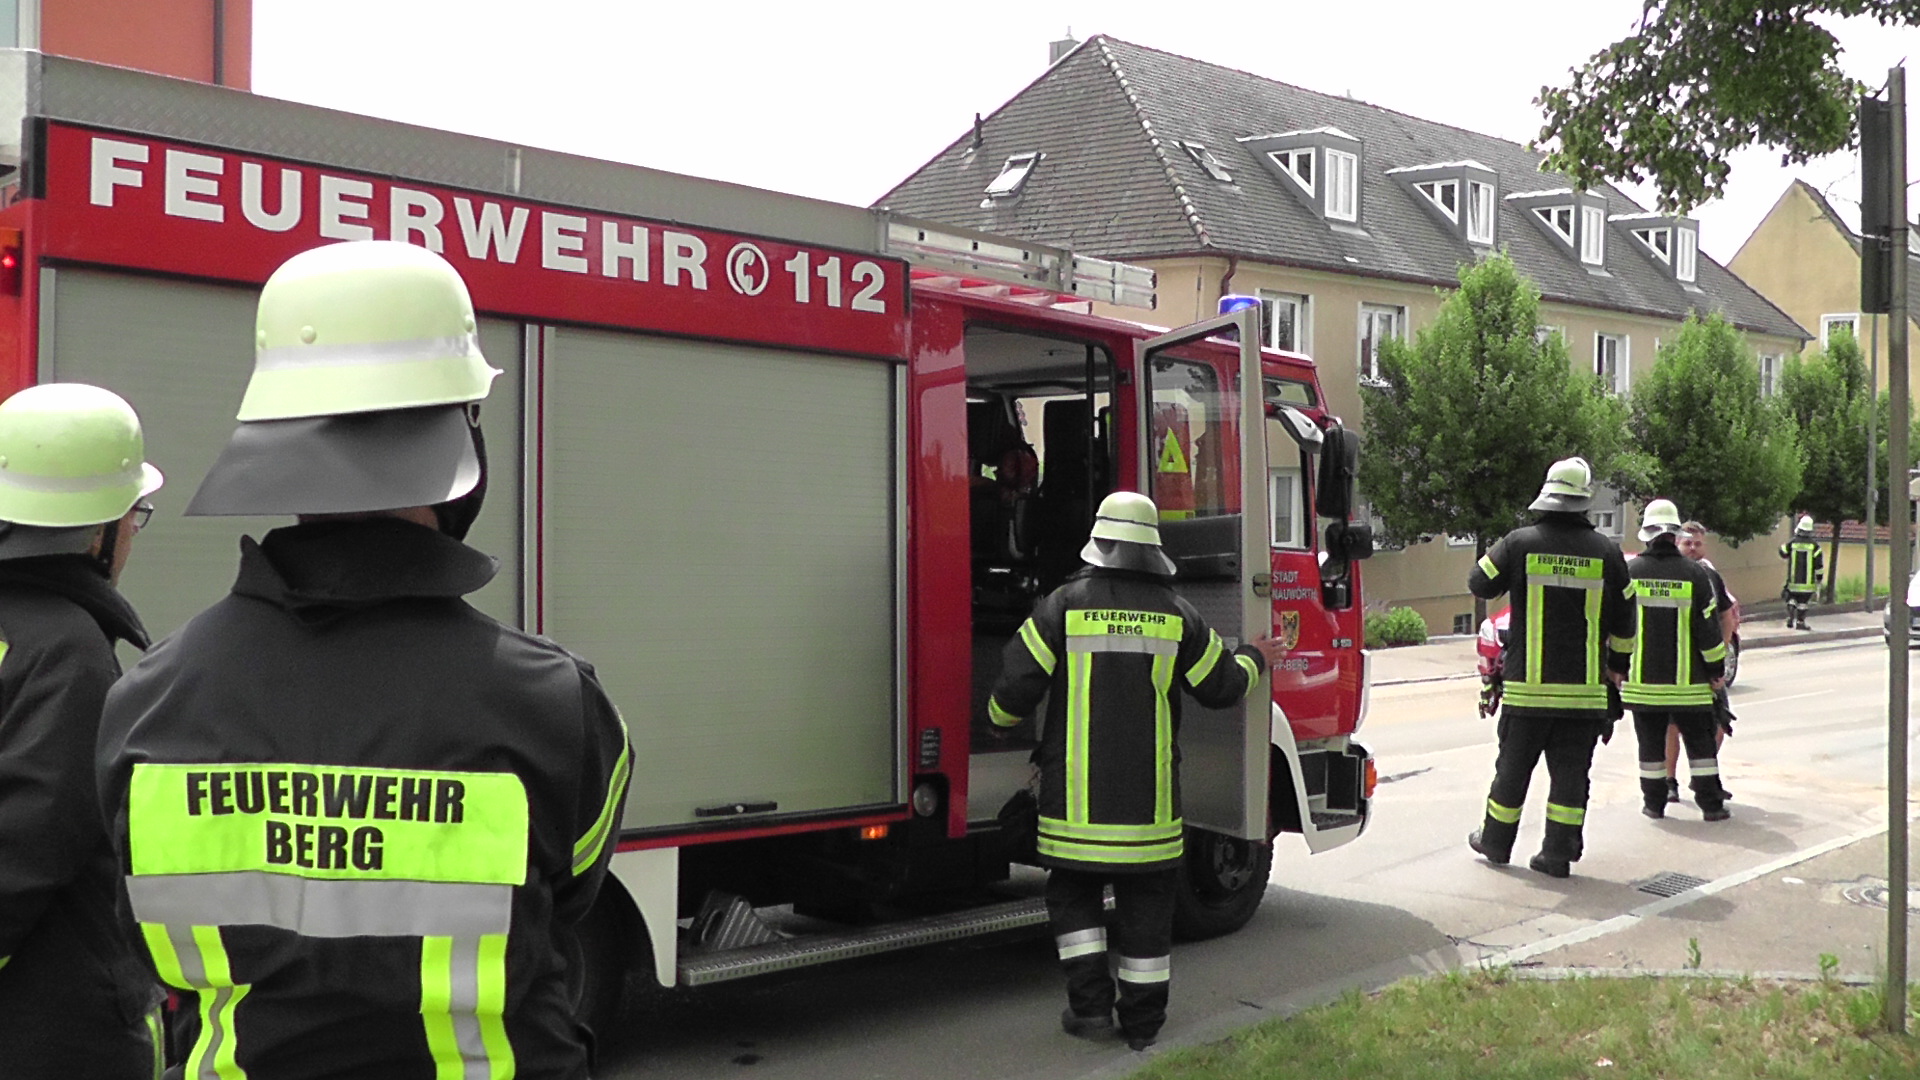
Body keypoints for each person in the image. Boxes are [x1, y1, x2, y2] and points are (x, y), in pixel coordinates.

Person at [97, 241, 632, 1079]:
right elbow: (568, 901)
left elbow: (140, 932)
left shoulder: (144, 701)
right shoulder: (553, 703)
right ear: (462, 445)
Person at [986, 490, 1284, 1052]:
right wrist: (1256, 657)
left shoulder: (1062, 605)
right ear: (1152, 549)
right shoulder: (1177, 614)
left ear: (1099, 543)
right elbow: (1221, 687)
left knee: (1073, 900)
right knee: (1147, 913)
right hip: (1151, 814)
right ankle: (1143, 1025)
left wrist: (998, 722)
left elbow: (1015, 687)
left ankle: (1090, 1011)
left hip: (1074, 812)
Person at [0, 384, 164, 1078]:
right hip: (50, 1035)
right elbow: (23, 854)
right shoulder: (71, 652)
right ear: (99, 531)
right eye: (135, 516)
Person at [1465, 456, 1633, 879]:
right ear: (1584, 500)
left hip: (1527, 691)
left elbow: (1479, 582)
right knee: (1571, 778)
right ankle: (1557, 856)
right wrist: (1618, 666)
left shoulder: (1519, 542)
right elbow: (1626, 622)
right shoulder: (1607, 552)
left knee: (1512, 771)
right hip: (1584, 694)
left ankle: (1495, 842)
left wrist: (1503, 552)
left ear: (1546, 495)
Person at [1622, 500, 1729, 821]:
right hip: (1690, 688)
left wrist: (1615, 668)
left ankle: (1654, 804)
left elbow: (1618, 626)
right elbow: (1709, 631)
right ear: (1674, 534)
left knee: (1650, 749)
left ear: (1647, 533)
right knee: (1701, 749)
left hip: (1642, 687)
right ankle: (1711, 806)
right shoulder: (1695, 574)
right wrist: (1716, 670)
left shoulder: (1631, 573)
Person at [1668, 520, 1737, 803]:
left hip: (1708, 664)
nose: (1693, 548)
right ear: (1677, 544)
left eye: (1697, 543)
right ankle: (1669, 782)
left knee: (1720, 724)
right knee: (1672, 727)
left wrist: (1721, 652)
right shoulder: (1670, 573)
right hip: (1674, 665)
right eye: (1687, 543)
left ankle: (1702, 779)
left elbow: (1726, 615)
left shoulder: (1710, 574)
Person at [1779, 514, 1823, 630]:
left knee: (1792, 598)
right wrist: (1819, 578)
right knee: (1803, 603)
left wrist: (1784, 547)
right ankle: (1800, 622)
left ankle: (1791, 610)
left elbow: (1783, 552)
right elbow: (1819, 565)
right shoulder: (1815, 546)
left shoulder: (1793, 543)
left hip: (1793, 580)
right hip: (1807, 583)